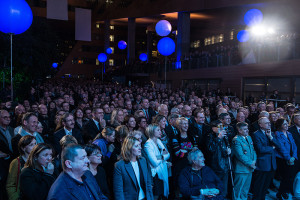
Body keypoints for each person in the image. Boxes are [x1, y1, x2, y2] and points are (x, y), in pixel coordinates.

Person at [251, 117, 281, 200]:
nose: (269, 124)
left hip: (271, 163)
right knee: (259, 185)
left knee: (266, 185)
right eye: (267, 123)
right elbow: (260, 149)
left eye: (269, 123)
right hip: (263, 164)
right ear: (260, 125)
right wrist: (272, 148)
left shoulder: (270, 133)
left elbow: (278, 145)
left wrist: (270, 137)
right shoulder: (256, 134)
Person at [144, 124, 171, 199]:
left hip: (163, 170)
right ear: (152, 132)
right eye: (158, 130)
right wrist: (163, 157)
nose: (160, 132)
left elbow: (168, 154)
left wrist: (159, 157)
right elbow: (154, 162)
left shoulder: (159, 141)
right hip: (155, 174)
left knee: (163, 195)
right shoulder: (148, 145)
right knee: (157, 195)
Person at [6, 135, 36, 200]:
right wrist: (15, 198)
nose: (34, 147)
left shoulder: (38, 160)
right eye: (31, 145)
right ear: (23, 148)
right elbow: (10, 185)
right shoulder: (16, 162)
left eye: (35, 144)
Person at [232, 122, 256, 200]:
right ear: (239, 130)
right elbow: (240, 155)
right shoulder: (236, 140)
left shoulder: (248, 137)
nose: (247, 130)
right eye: (245, 129)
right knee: (238, 188)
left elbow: (253, 150)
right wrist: (250, 163)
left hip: (249, 168)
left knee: (246, 188)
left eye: (247, 129)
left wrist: (254, 161)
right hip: (241, 168)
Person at [206, 120, 231, 197]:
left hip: (225, 165)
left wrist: (229, 150)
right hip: (216, 166)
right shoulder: (209, 136)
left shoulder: (224, 136)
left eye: (222, 126)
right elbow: (210, 149)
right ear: (213, 128)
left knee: (224, 189)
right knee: (216, 188)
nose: (221, 128)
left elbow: (227, 146)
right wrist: (218, 138)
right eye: (219, 127)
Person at [274, 118, 298, 199]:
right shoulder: (277, 134)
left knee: (290, 177)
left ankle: (284, 192)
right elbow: (281, 148)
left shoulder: (289, 133)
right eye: (284, 124)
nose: (286, 125)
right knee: (286, 177)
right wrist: (288, 158)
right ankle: (281, 193)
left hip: (292, 158)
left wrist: (294, 157)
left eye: (287, 123)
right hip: (283, 159)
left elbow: (294, 146)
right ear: (280, 126)